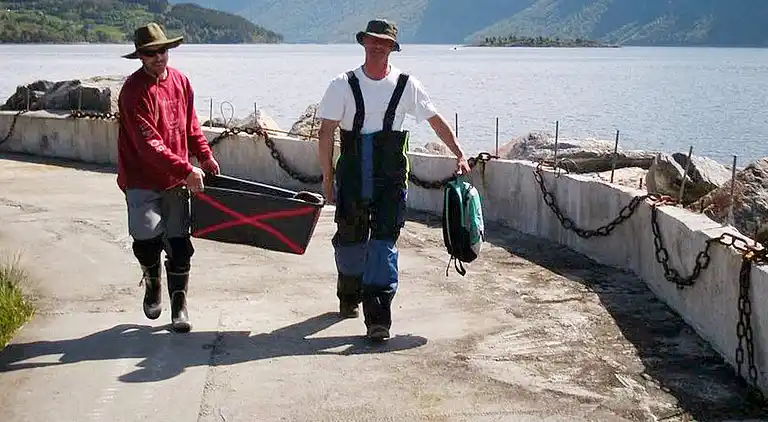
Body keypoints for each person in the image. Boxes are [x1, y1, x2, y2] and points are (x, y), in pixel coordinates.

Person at [316, 19, 471, 341]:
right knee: (350, 244)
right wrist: (328, 180)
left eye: (383, 42)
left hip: (390, 180)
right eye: (372, 40)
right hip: (353, 176)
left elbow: (435, 119)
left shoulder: (407, 85)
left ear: (391, 48)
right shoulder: (341, 84)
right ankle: (348, 294)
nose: (377, 46)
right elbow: (326, 132)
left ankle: (378, 317)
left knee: (384, 244)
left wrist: (459, 152)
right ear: (364, 44)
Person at [117, 23, 220, 333]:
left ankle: (179, 305)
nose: (158, 57)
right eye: (150, 53)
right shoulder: (133, 92)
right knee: (146, 239)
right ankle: (152, 282)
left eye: (161, 50)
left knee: (179, 244)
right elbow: (149, 145)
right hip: (141, 179)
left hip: (175, 182)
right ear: (140, 57)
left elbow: (191, 125)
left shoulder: (181, 82)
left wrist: (204, 156)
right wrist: (187, 169)